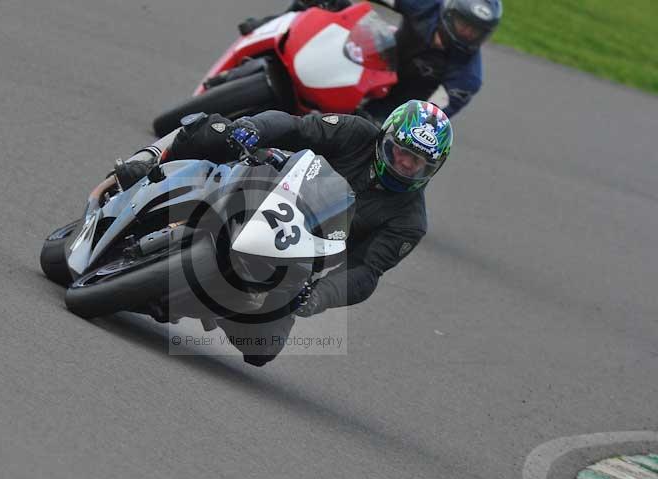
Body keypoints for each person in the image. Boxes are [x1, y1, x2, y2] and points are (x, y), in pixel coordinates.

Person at [115, 100, 453, 366]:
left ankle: (179, 301)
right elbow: (297, 127)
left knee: (261, 350)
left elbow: (366, 271)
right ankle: (150, 158)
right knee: (220, 131)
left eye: (418, 162)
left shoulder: (410, 221)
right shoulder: (356, 132)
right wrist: (254, 127)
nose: (406, 164)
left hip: (295, 259)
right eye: (403, 152)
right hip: (266, 185)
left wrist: (318, 297)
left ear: (432, 169)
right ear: (386, 138)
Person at [238, 0, 503, 120]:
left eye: (475, 30)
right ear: (449, 11)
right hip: (372, 60)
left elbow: (429, 117)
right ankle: (269, 27)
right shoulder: (427, 5)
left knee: (357, 143)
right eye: (463, 23)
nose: (466, 33)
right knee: (318, 5)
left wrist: (387, 123)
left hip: (394, 105)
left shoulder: (466, 77)